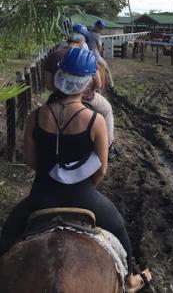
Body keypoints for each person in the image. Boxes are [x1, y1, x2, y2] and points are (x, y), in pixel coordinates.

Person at [0, 48, 151, 291]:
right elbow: (101, 170)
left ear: (60, 77)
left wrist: (51, 177)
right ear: (88, 81)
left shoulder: (36, 116)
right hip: (85, 196)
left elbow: (30, 159)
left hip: (41, 195)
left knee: (7, 233)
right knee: (119, 228)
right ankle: (130, 276)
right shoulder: (96, 121)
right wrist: (82, 184)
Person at [45, 32, 118, 160]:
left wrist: (62, 89)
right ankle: (108, 145)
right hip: (86, 96)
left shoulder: (53, 55)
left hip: (59, 95)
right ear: (81, 42)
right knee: (107, 110)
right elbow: (99, 84)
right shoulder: (86, 57)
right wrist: (91, 90)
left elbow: (49, 86)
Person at [87, 19, 115, 89]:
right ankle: (111, 84)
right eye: (101, 28)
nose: (101, 29)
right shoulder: (97, 35)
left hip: (86, 55)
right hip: (95, 56)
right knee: (106, 67)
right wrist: (100, 52)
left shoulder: (87, 33)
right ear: (99, 28)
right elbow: (100, 47)